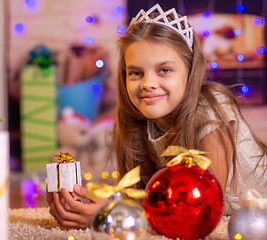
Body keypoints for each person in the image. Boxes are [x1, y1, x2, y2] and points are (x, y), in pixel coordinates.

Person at [47, 3, 267, 229]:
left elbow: (202, 211)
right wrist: (85, 205)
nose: (148, 84)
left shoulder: (211, 110)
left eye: (164, 70)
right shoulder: (143, 121)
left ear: (190, 73)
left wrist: (111, 214)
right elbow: (147, 201)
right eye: (136, 73)